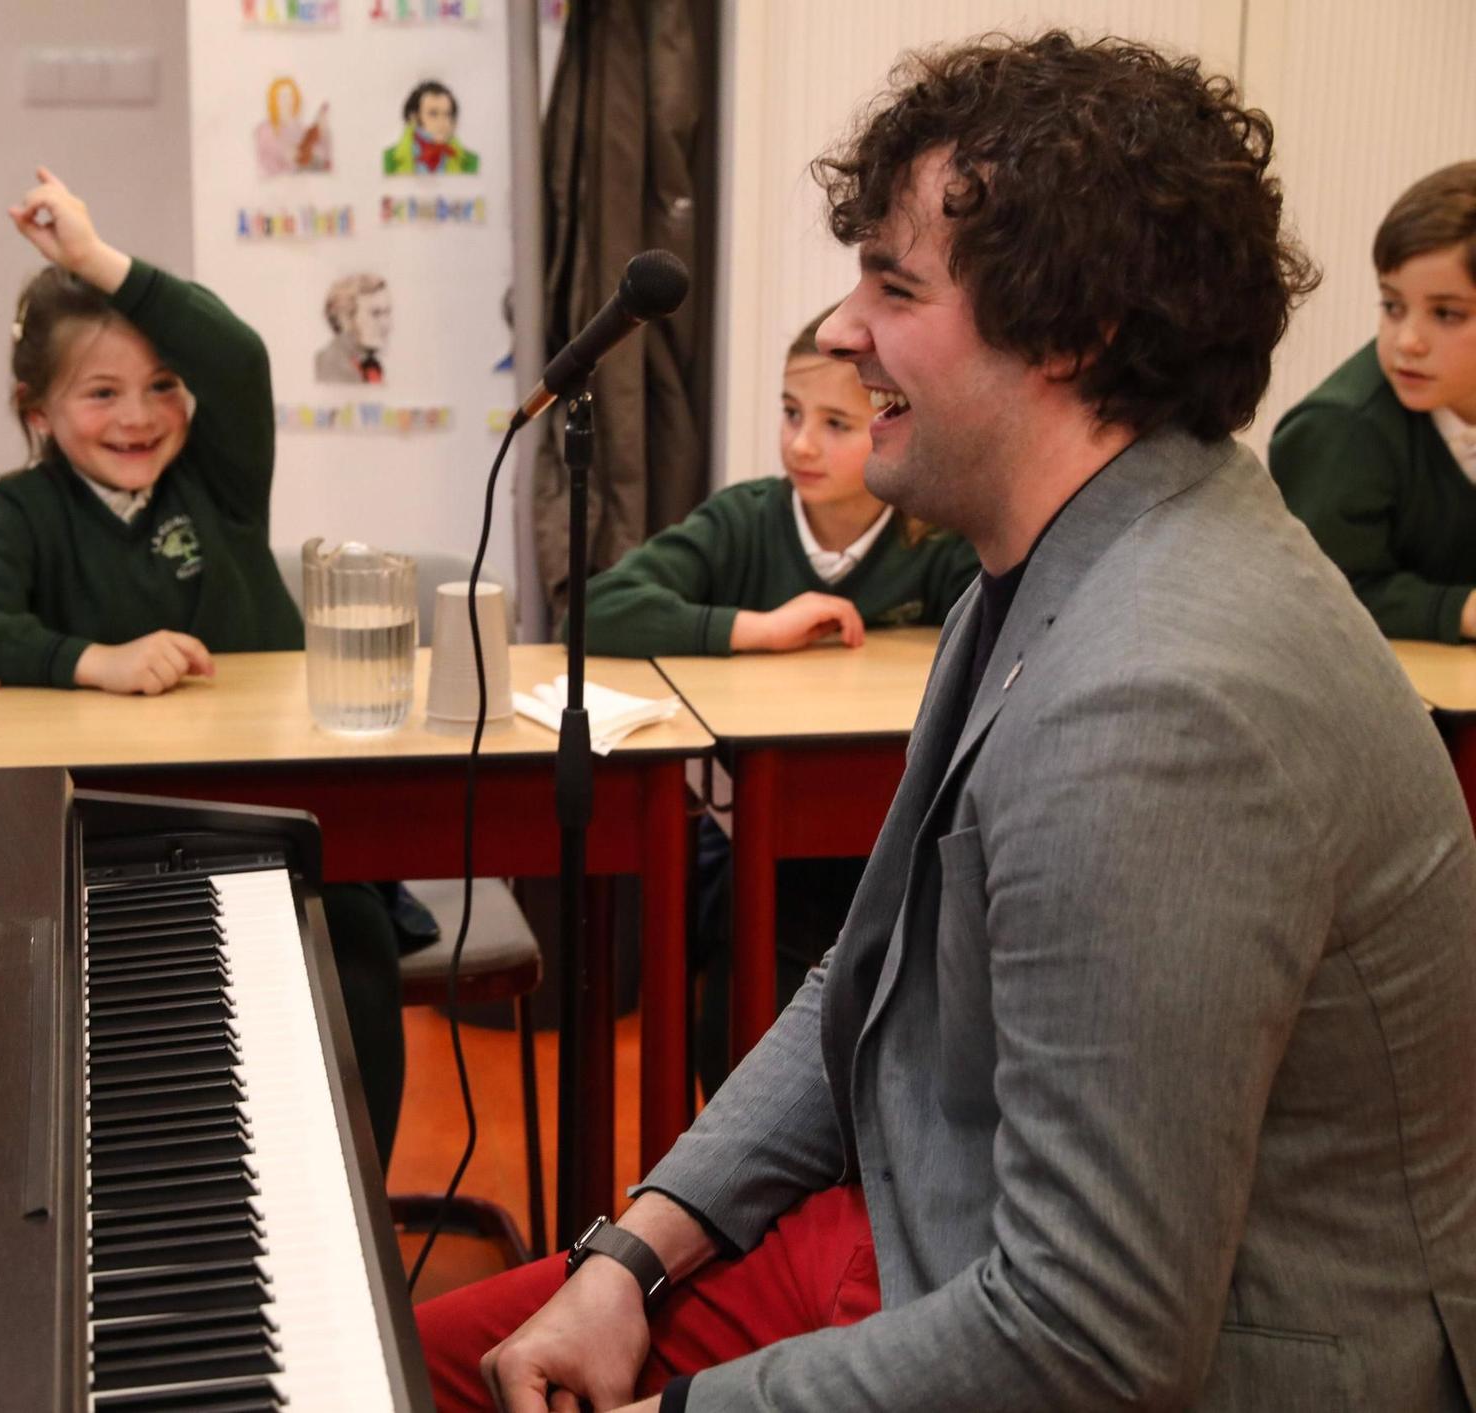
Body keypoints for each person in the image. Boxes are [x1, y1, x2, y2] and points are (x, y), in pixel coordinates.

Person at [422, 32, 1476, 1413]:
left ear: (1074, 333)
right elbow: (862, 980)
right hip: (940, 1234)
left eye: (894, 284)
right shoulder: (1066, 541)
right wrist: (634, 1249)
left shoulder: (1158, 709)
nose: (844, 329)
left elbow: (1092, 1340)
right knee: (423, 1353)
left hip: (1172, 1352)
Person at [0, 169, 406, 1160]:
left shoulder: (220, 481)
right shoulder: (28, 509)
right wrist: (89, 659)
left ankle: (360, 1211)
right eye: (100, 393)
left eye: (159, 387)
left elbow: (233, 355)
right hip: (125, 837)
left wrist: (95, 259)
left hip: (282, 816)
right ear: (39, 412)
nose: (138, 417)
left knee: (353, 955)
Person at [579, 312, 978, 1094]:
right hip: (755, 843)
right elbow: (596, 608)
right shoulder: (745, 519)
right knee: (741, 965)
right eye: (791, 414)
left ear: (896, 423)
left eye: (836, 423)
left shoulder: (932, 537)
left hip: (893, 839)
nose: (801, 443)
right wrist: (755, 628)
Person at [1271, 161, 1476, 641]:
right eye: (1392, 305)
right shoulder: (1342, 429)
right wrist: (1460, 609)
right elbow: (1320, 595)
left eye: (1445, 314)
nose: (1407, 340)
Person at [383, 79, 479, 175]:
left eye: (447, 114)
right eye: (433, 114)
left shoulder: (471, 161)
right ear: (415, 117)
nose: (442, 122)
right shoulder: (389, 159)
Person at [315, 273, 392, 384]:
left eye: (387, 313)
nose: (386, 324)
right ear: (345, 319)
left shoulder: (369, 365)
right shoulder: (330, 367)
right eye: (375, 314)